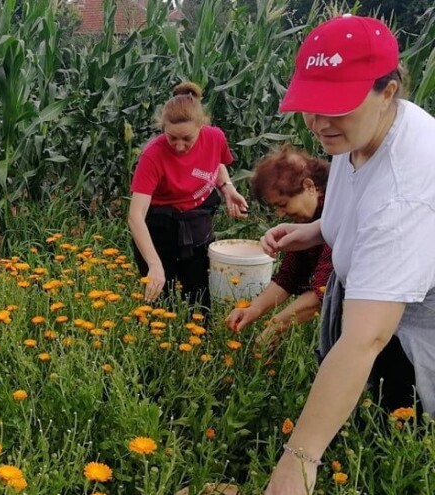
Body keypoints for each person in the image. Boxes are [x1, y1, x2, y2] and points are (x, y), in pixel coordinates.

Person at [261, 15, 435, 494]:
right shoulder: (355, 133)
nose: (318, 123)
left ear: (388, 91)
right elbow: (357, 203)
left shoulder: (407, 189)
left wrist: (298, 459)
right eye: (310, 106)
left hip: (406, 335)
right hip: (370, 308)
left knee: (391, 449)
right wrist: (316, 231)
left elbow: (365, 339)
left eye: (335, 106)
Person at [128, 82, 248, 310]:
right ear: (163, 128)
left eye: (187, 139)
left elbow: (217, 162)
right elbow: (135, 216)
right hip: (159, 231)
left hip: (197, 228)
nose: (179, 146)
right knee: (161, 309)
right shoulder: (152, 156)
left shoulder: (215, 137)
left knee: (201, 305)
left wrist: (228, 189)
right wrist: (154, 265)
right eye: (172, 138)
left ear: (201, 127)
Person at [226, 147, 332, 347]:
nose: (281, 214)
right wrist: (253, 309)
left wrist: (274, 327)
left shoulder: (338, 210)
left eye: (283, 204)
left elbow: (323, 292)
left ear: (309, 186)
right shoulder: (306, 220)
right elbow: (289, 276)